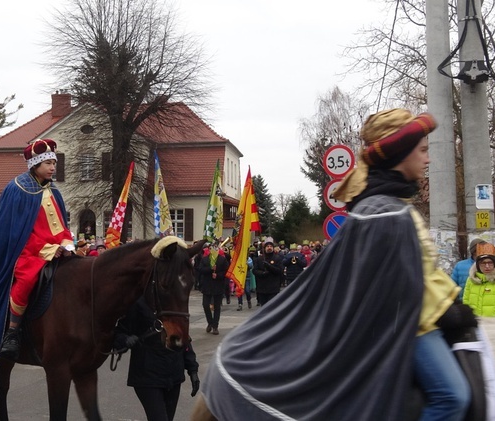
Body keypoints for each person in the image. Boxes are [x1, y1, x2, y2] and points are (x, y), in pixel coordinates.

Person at [199, 109, 471, 420]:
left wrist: (451, 301)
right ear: (401, 152)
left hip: (416, 316)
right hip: (410, 325)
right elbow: (401, 288)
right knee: (454, 396)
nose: (428, 159)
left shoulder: (389, 207)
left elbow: (419, 273)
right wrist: (445, 311)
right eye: (423, 150)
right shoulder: (385, 214)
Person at [0, 138, 74, 360]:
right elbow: (14, 232)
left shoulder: (54, 190)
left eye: (54, 163)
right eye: (48, 163)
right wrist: (47, 249)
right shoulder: (17, 189)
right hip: (27, 251)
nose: (52, 167)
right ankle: (12, 331)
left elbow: (61, 226)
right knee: (26, 279)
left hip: (56, 249)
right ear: (35, 164)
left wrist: (66, 242)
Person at [114, 297, 200, 421]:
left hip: (174, 375)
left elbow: (183, 338)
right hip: (147, 376)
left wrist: (193, 370)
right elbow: (118, 332)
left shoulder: (175, 302)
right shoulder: (138, 303)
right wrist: (125, 339)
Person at [197, 243, 228, 335]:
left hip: (218, 285)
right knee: (206, 305)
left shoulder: (222, 259)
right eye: (211, 248)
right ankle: (210, 322)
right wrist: (210, 269)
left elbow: (226, 271)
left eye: (215, 248)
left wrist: (218, 275)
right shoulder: (205, 259)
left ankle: (215, 326)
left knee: (217, 307)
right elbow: (201, 270)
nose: (213, 250)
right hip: (207, 286)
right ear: (209, 250)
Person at [252, 240, 283, 306]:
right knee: (263, 306)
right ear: (264, 248)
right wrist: (262, 273)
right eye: (267, 246)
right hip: (262, 287)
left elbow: (280, 271)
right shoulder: (260, 259)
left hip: (273, 287)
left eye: (271, 246)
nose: (269, 248)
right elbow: (254, 270)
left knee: (272, 306)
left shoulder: (277, 258)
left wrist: (269, 266)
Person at [236, 246, 256, 310]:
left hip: (246, 277)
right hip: (239, 277)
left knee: (247, 291)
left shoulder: (248, 259)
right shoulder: (238, 258)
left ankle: (249, 300)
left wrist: (247, 263)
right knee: (239, 291)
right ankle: (240, 304)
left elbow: (251, 266)